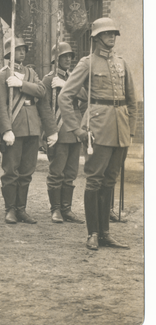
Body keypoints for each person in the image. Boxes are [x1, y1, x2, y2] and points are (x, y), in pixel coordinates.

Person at [58, 18, 137, 251]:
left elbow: (131, 101)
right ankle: (92, 233)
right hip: (98, 128)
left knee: (110, 181)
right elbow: (65, 97)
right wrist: (77, 129)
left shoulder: (122, 63)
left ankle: (105, 233)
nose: (111, 37)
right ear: (96, 38)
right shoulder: (87, 63)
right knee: (94, 181)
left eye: (114, 33)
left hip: (120, 129)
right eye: (107, 33)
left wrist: (130, 130)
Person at [0, 36, 48, 224]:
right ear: (9, 53)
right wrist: (6, 129)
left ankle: (21, 209)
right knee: (11, 171)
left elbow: (41, 91)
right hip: (14, 130)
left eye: (24, 49)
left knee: (27, 171)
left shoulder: (31, 73)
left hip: (32, 128)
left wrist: (22, 85)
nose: (22, 52)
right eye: (18, 49)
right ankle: (10, 209)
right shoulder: (3, 75)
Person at [41, 42, 86, 224]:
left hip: (74, 130)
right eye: (64, 56)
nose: (68, 59)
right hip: (58, 131)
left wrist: (66, 85)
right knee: (56, 172)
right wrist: (50, 132)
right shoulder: (48, 79)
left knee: (71, 173)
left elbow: (85, 95)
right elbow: (44, 108)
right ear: (56, 59)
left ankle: (66, 209)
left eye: (70, 56)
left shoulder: (72, 78)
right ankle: (56, 209)